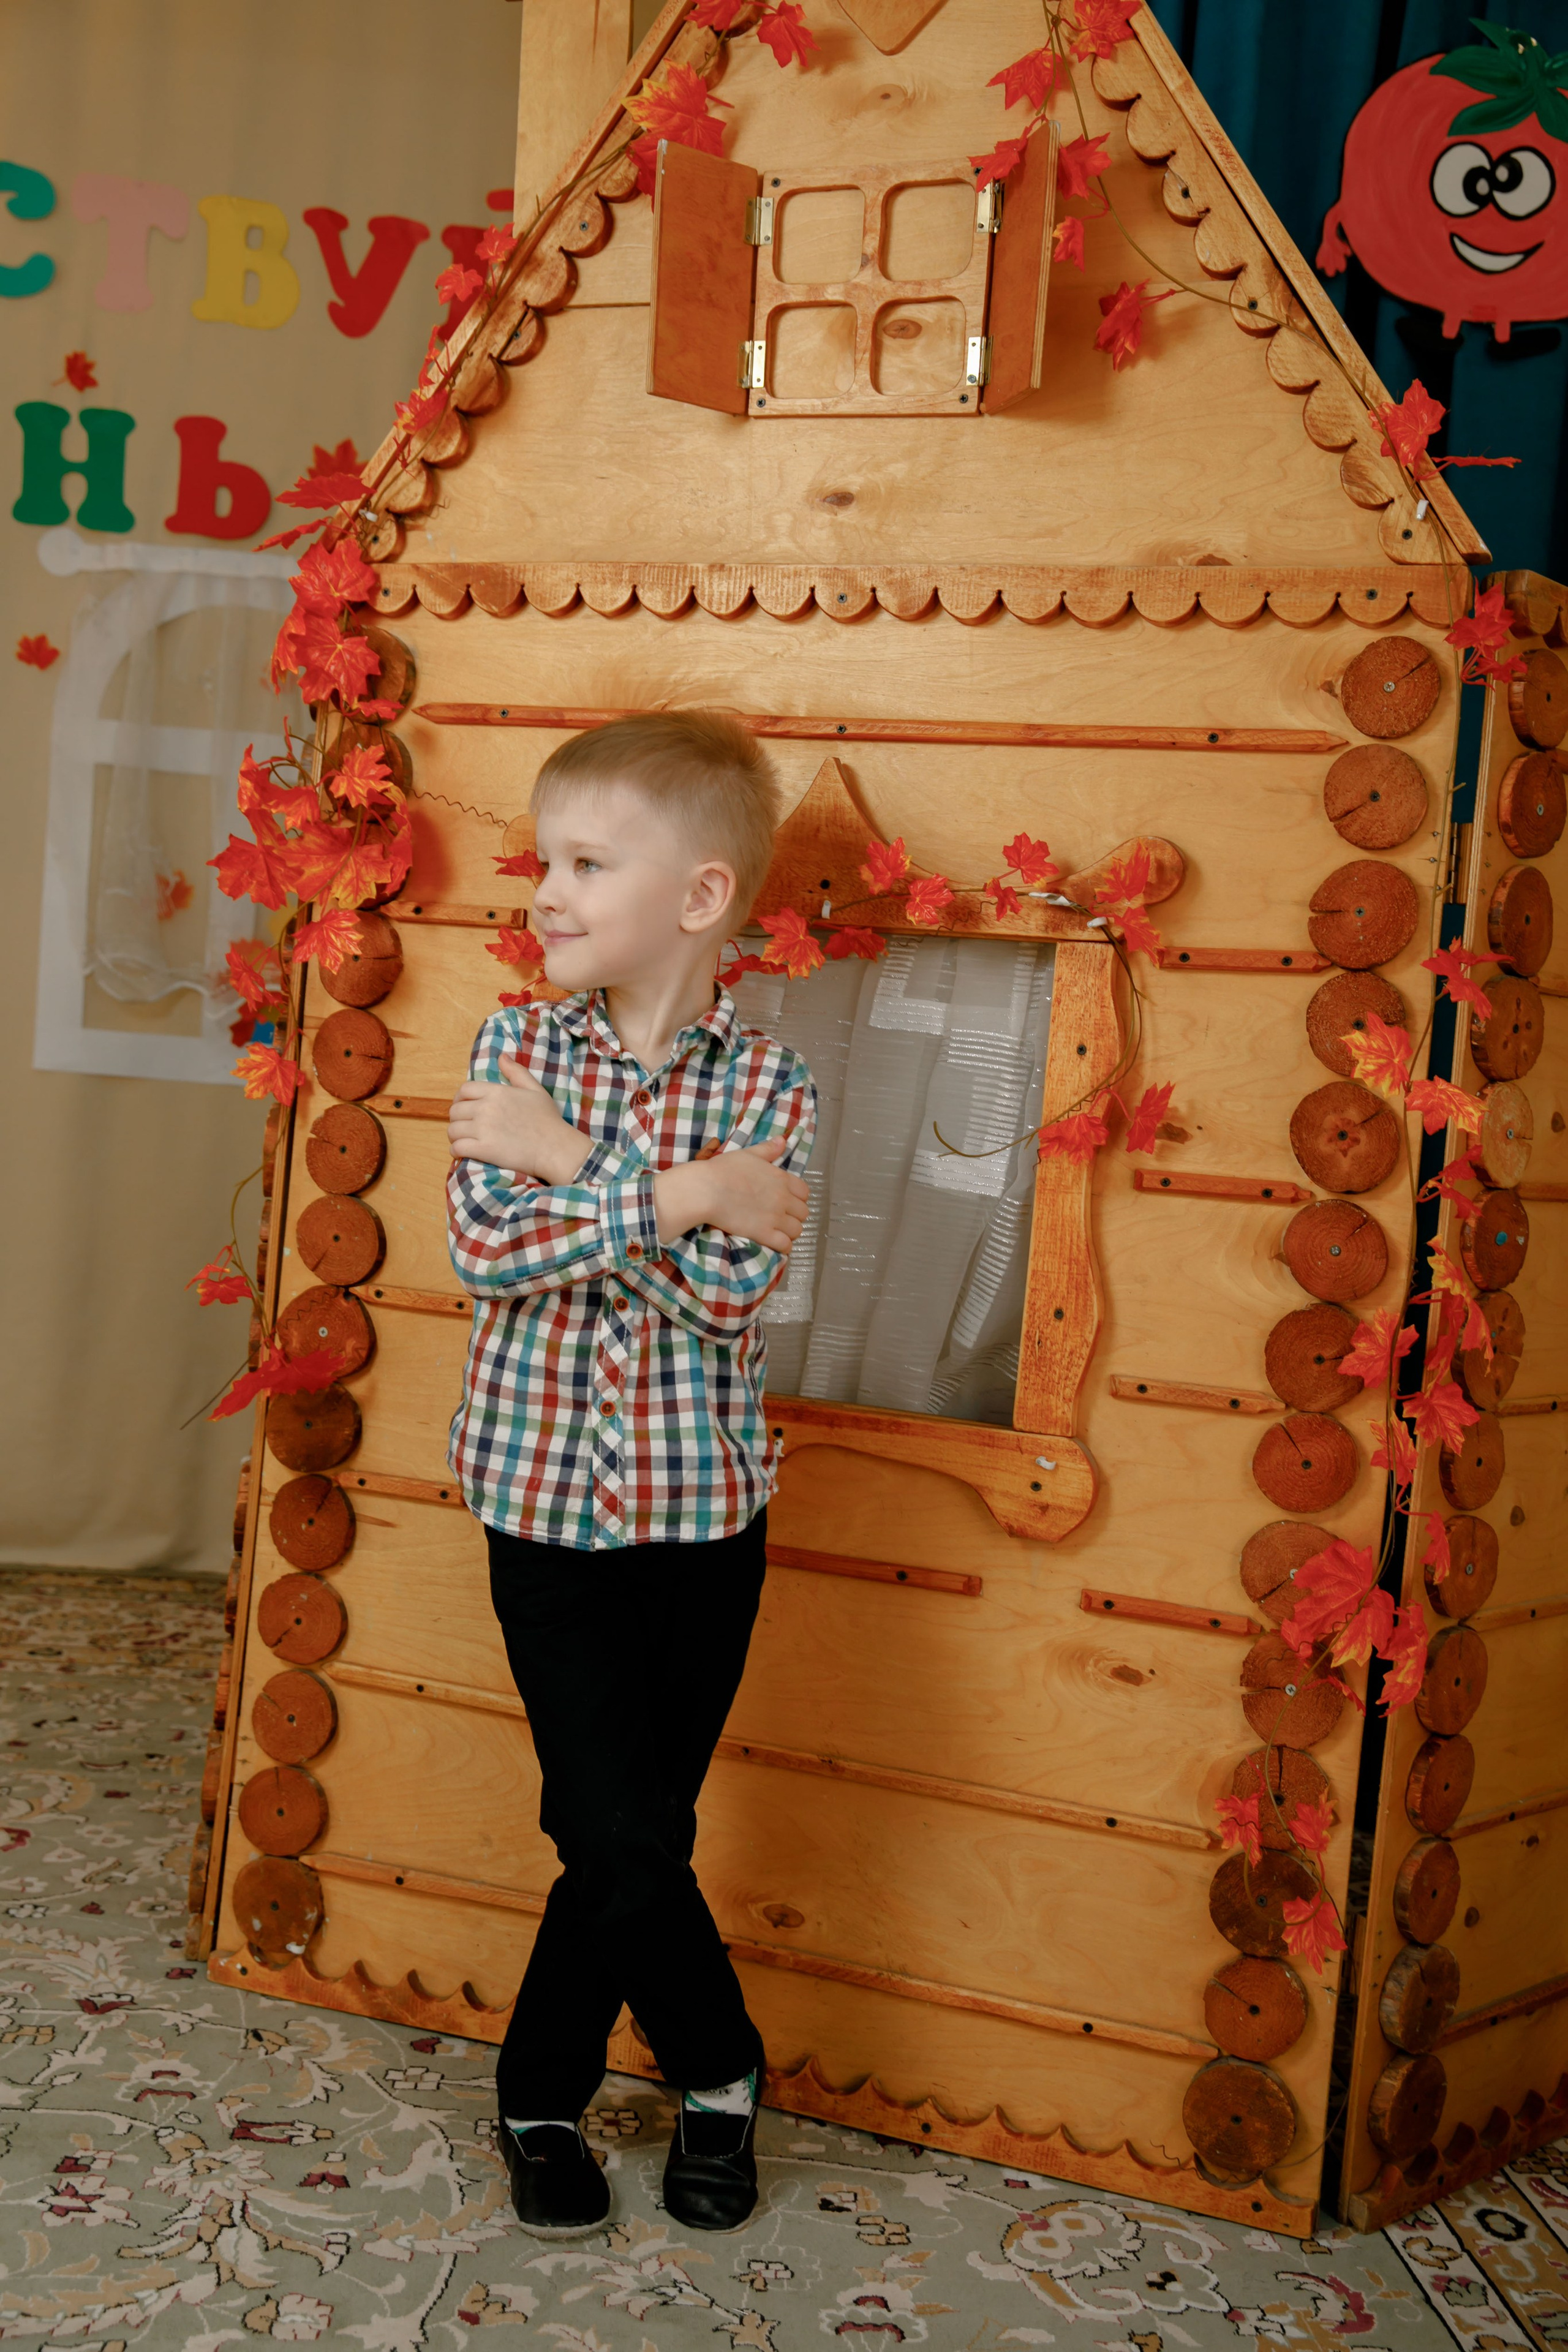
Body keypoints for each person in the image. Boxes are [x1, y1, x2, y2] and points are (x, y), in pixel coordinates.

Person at [445, 710, 815, 2241]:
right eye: (545, 859)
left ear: (700, 895)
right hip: (539, 1515)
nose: (545, 890)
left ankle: (539, 2092)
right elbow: (486, 1253)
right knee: (612, 1829)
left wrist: (579, 1174)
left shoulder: (771, 1086)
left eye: (587, 862)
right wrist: (685, 1194)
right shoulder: (511, 1051)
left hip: (703, 1520)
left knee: (628, 1837)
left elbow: (733, 1297)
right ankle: (720, 2068)